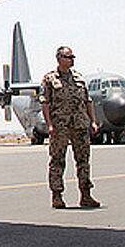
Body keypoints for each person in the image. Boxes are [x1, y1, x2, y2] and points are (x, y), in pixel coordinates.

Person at [41, 46, 101, 209]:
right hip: (60, 126)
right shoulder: (49, 79)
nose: (72, 60)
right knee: (57, 160)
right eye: (68, 57)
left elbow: (88, 101)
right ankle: (57, 195)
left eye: (73, 57)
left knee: (83, 161)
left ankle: (86, 194)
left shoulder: (79, 78)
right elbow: (44, 102)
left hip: (80, 125)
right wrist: (50, 125)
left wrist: (92, 121)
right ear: (59, 58)